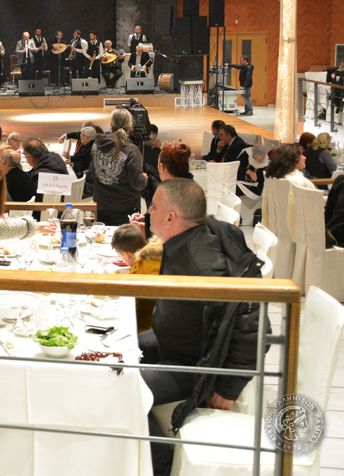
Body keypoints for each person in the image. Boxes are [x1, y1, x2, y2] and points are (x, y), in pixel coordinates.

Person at [141, 179, 265, 475]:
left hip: (193, 365)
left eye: (153, 207)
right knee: (115, 352)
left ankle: (161, 464)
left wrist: (227, 387)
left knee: (119, 389)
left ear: (170, 217)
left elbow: (254, 324)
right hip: (174, 343)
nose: (149, 212)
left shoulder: (202, 265)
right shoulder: (192, 236)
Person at [89, 108, 147, 224]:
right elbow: (137, 183)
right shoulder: (132, 150)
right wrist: (144, 177)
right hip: (126, 208)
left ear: (111, 124)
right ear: (130, 125)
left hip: (101, 205)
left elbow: (93, 172)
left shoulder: (97, 144)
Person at [110, 223, 161, 332]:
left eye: (121, 256)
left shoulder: (140, 266)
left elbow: (128, 299)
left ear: (127, 254)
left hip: (149, 325)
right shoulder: (154, 248)